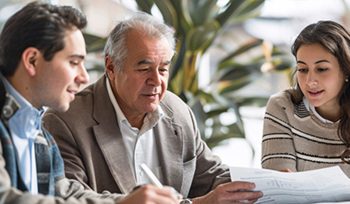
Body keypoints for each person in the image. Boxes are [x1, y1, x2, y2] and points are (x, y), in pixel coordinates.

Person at [43, 12, 263, 204]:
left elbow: (211, 175)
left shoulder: (177, 110)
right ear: (111, 66)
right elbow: (69, 198)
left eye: (163, 69)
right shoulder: (65, 119)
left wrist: (271, 185)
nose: (156, 81)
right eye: (144, 68)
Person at [0, 1, 180, 204]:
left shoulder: (35, 128)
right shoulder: (48, 123)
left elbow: (66, 193)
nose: (84, 77)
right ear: (32, 60)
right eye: (74, 62)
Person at [261, 20, 350, 176]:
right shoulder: (283, 107)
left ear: (346, 70)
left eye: (321, 69)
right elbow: (280, 186)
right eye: (302, 69)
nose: (310, 81)